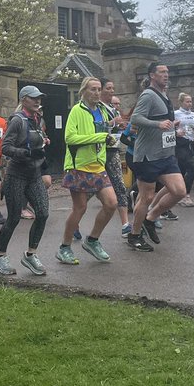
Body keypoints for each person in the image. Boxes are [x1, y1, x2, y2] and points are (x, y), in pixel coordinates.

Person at [127, 64, 191, 252]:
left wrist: (172, 127)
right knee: (146, 197)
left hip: (166, 155)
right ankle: (134, 235)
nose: (166, 75)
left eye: (167, 72)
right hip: (148, 156)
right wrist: (158, 124)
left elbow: (163, 123)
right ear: (152, 75)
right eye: (162, 72)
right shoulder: (148, 95)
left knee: (179, 191)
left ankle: (150, 219)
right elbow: (135, 119)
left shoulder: (164, 95)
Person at [0, 86, 50, 276]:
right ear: (23, 99)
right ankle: (0, 256)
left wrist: (42, 146)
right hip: (16, 175)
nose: (37, 101)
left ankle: (30, 255)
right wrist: (27, 153)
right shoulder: (17, 120)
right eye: (33, 98)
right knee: (14, 218)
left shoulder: (38, 119)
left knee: (43, 213)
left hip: (34, 175)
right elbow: (6, 148)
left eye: (39, 98)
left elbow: (39, 140)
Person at [59, 77, 117, 265]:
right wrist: (100, 137)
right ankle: (64, 247)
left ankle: (92, 240)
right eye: (93, 89)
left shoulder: (102, 111)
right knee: (80, 208)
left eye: (99, 89)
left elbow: (106, 132)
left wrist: (113, 132)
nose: (97, 93)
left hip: (98, 166)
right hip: (79, 166)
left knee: (111, 204)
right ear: (83, 91)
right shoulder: (77, 110)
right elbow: (70, 138)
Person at [101, 81, 130, 232]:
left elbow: (117, 130)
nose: (112, 91)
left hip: (113, 151)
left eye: (113, 88)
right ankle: (75, 222)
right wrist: (112, 123)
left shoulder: (113, 110)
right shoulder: (97, 108)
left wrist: (121, 127)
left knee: (120, 185)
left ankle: (125, 225)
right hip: (98, 152)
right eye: (108, 88)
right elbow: (95, 127)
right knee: (89, 190)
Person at [174, 93, 194, 207]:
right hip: (180, 144)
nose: (190, 104)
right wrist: (176, 132)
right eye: (187, 101)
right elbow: (169, 128)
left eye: (191, 101)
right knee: (192, 167)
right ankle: (186, 195)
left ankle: (178, 194)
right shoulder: (176, 114)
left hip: (191, 143)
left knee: (182, 170)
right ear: (181, 102)